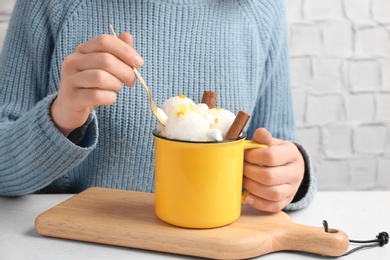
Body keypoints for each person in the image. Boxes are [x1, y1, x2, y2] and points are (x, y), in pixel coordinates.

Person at [0, 0, 316, 212]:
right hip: (79, 245)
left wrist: (292, 176)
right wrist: (61, 116)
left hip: (215, 244)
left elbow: (276, 145)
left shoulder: (261, 7)